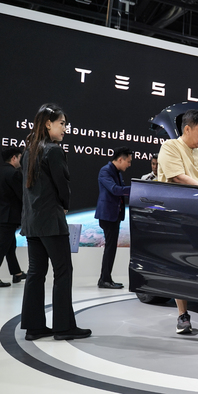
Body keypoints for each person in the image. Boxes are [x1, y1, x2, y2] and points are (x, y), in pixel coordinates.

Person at [20, 103, 91, 341]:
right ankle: (63, 327)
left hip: (32, 221)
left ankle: (34, 326)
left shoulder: (30, 149)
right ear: (48, 123)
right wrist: (65, 204)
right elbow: (62, 185)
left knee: (35, 272)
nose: (65, 129)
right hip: (51, 220)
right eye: (62, 124)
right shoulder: (53, 150)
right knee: (63, 271)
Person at [157, 109, 198, 334]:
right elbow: (177, 177)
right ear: (187, 129)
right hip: (180, 216)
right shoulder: (170, 147)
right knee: (181, 266)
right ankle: (182, 315)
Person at [95, 147, 132, 289]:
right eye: (128, 161)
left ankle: (105, 278)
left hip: (114, 215)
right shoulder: (105, 171)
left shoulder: (116, 172)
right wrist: (136, 187)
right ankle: (105, 279)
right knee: (110, 248)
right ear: (120, 159)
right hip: (107, 216)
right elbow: (115, 190)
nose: (129, 165)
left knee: (111, 248)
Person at [0, 147, 27, 287]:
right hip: (8, 216)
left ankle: (16, 273)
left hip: (3, 215)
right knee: (3, 247)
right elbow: (22, 195)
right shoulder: (13, 174)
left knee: (10, 246)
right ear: (14, 158)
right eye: (20, 157)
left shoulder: (2, 171)